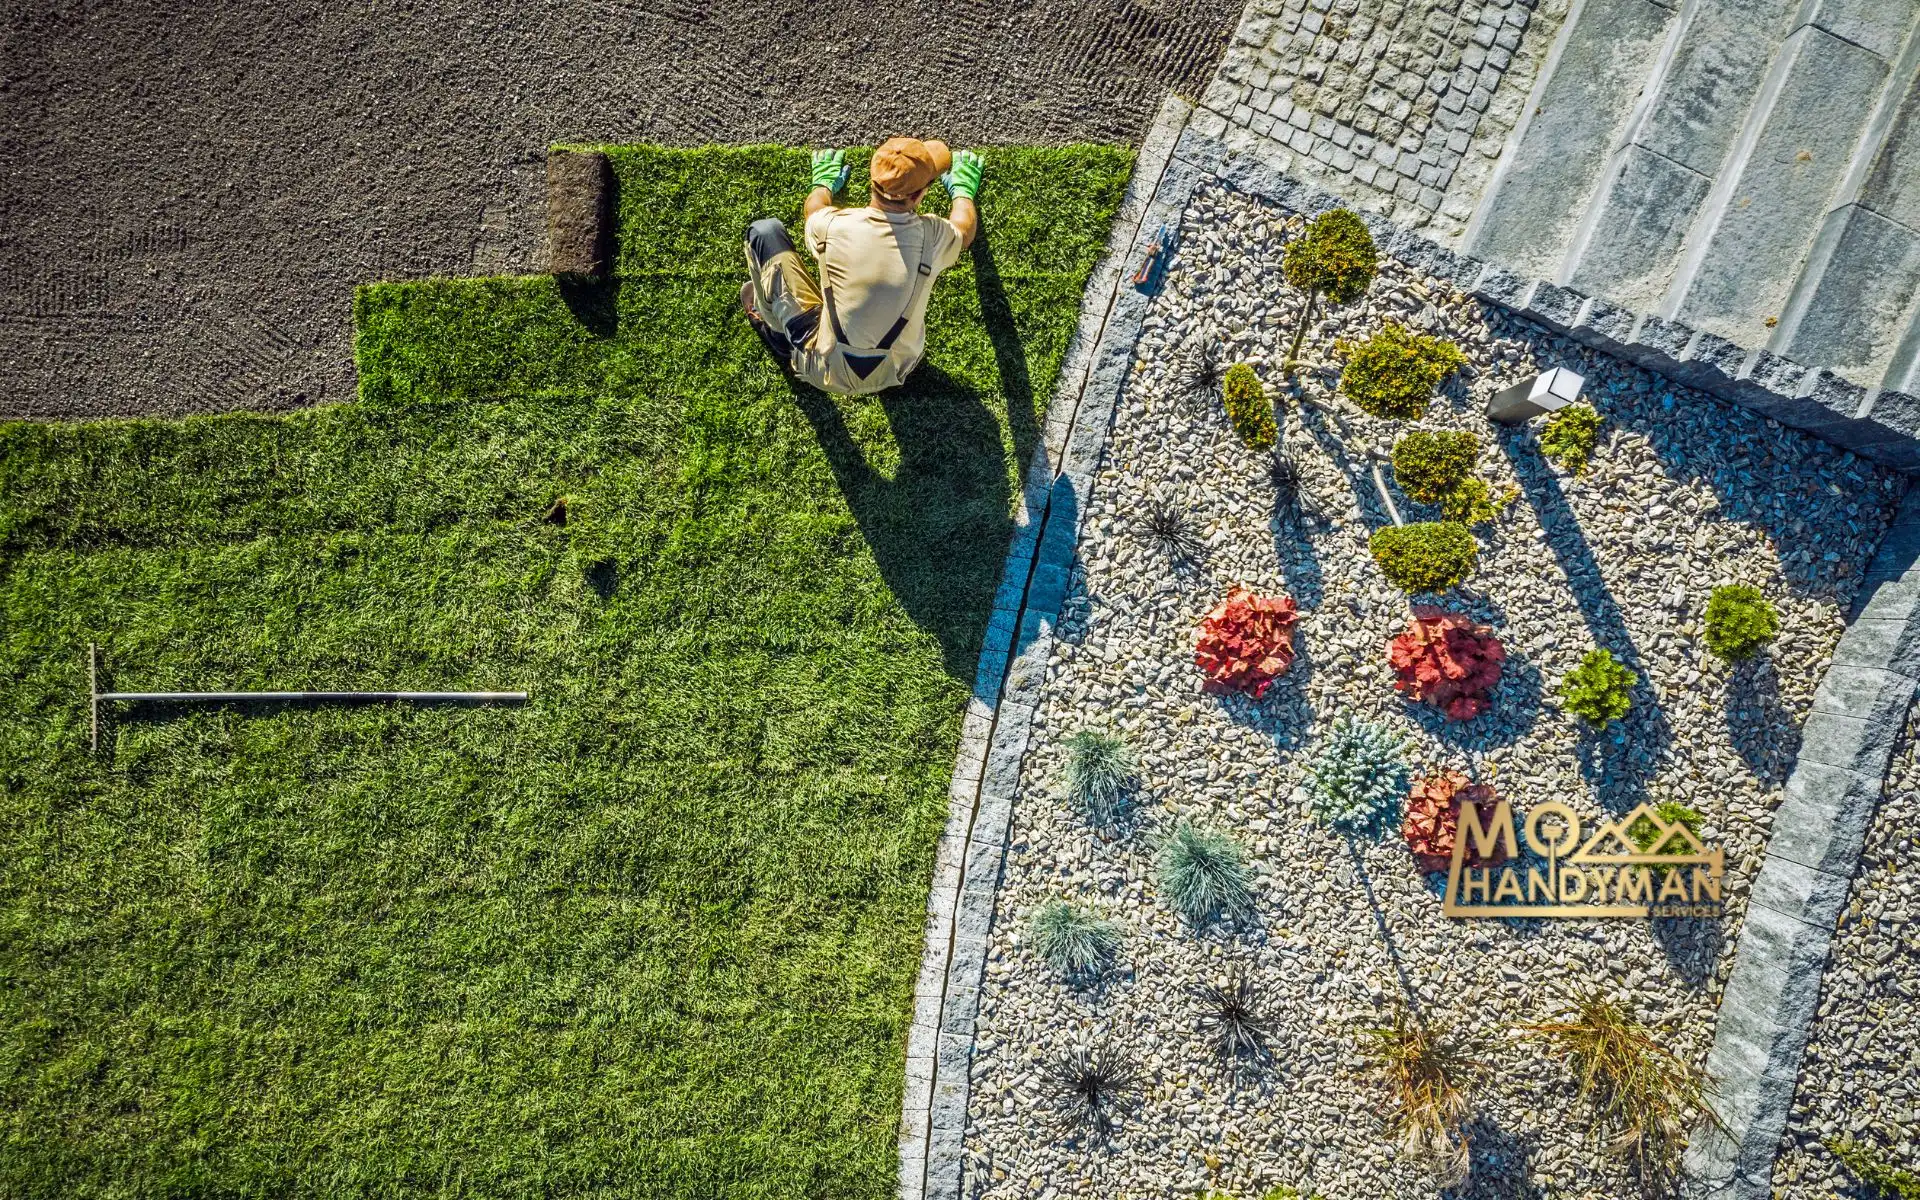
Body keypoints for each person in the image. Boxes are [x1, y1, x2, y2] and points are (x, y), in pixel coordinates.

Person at [742, 137, 983, 394]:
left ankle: (779, 335)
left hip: (824, 369)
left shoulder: (831, 225)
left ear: (872, 181)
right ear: (919, 195)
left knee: (765, 232)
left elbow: (814, 209)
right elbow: (964, 230)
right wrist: (962, 192)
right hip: (897, 367)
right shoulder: (933, 237)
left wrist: (823, 184)